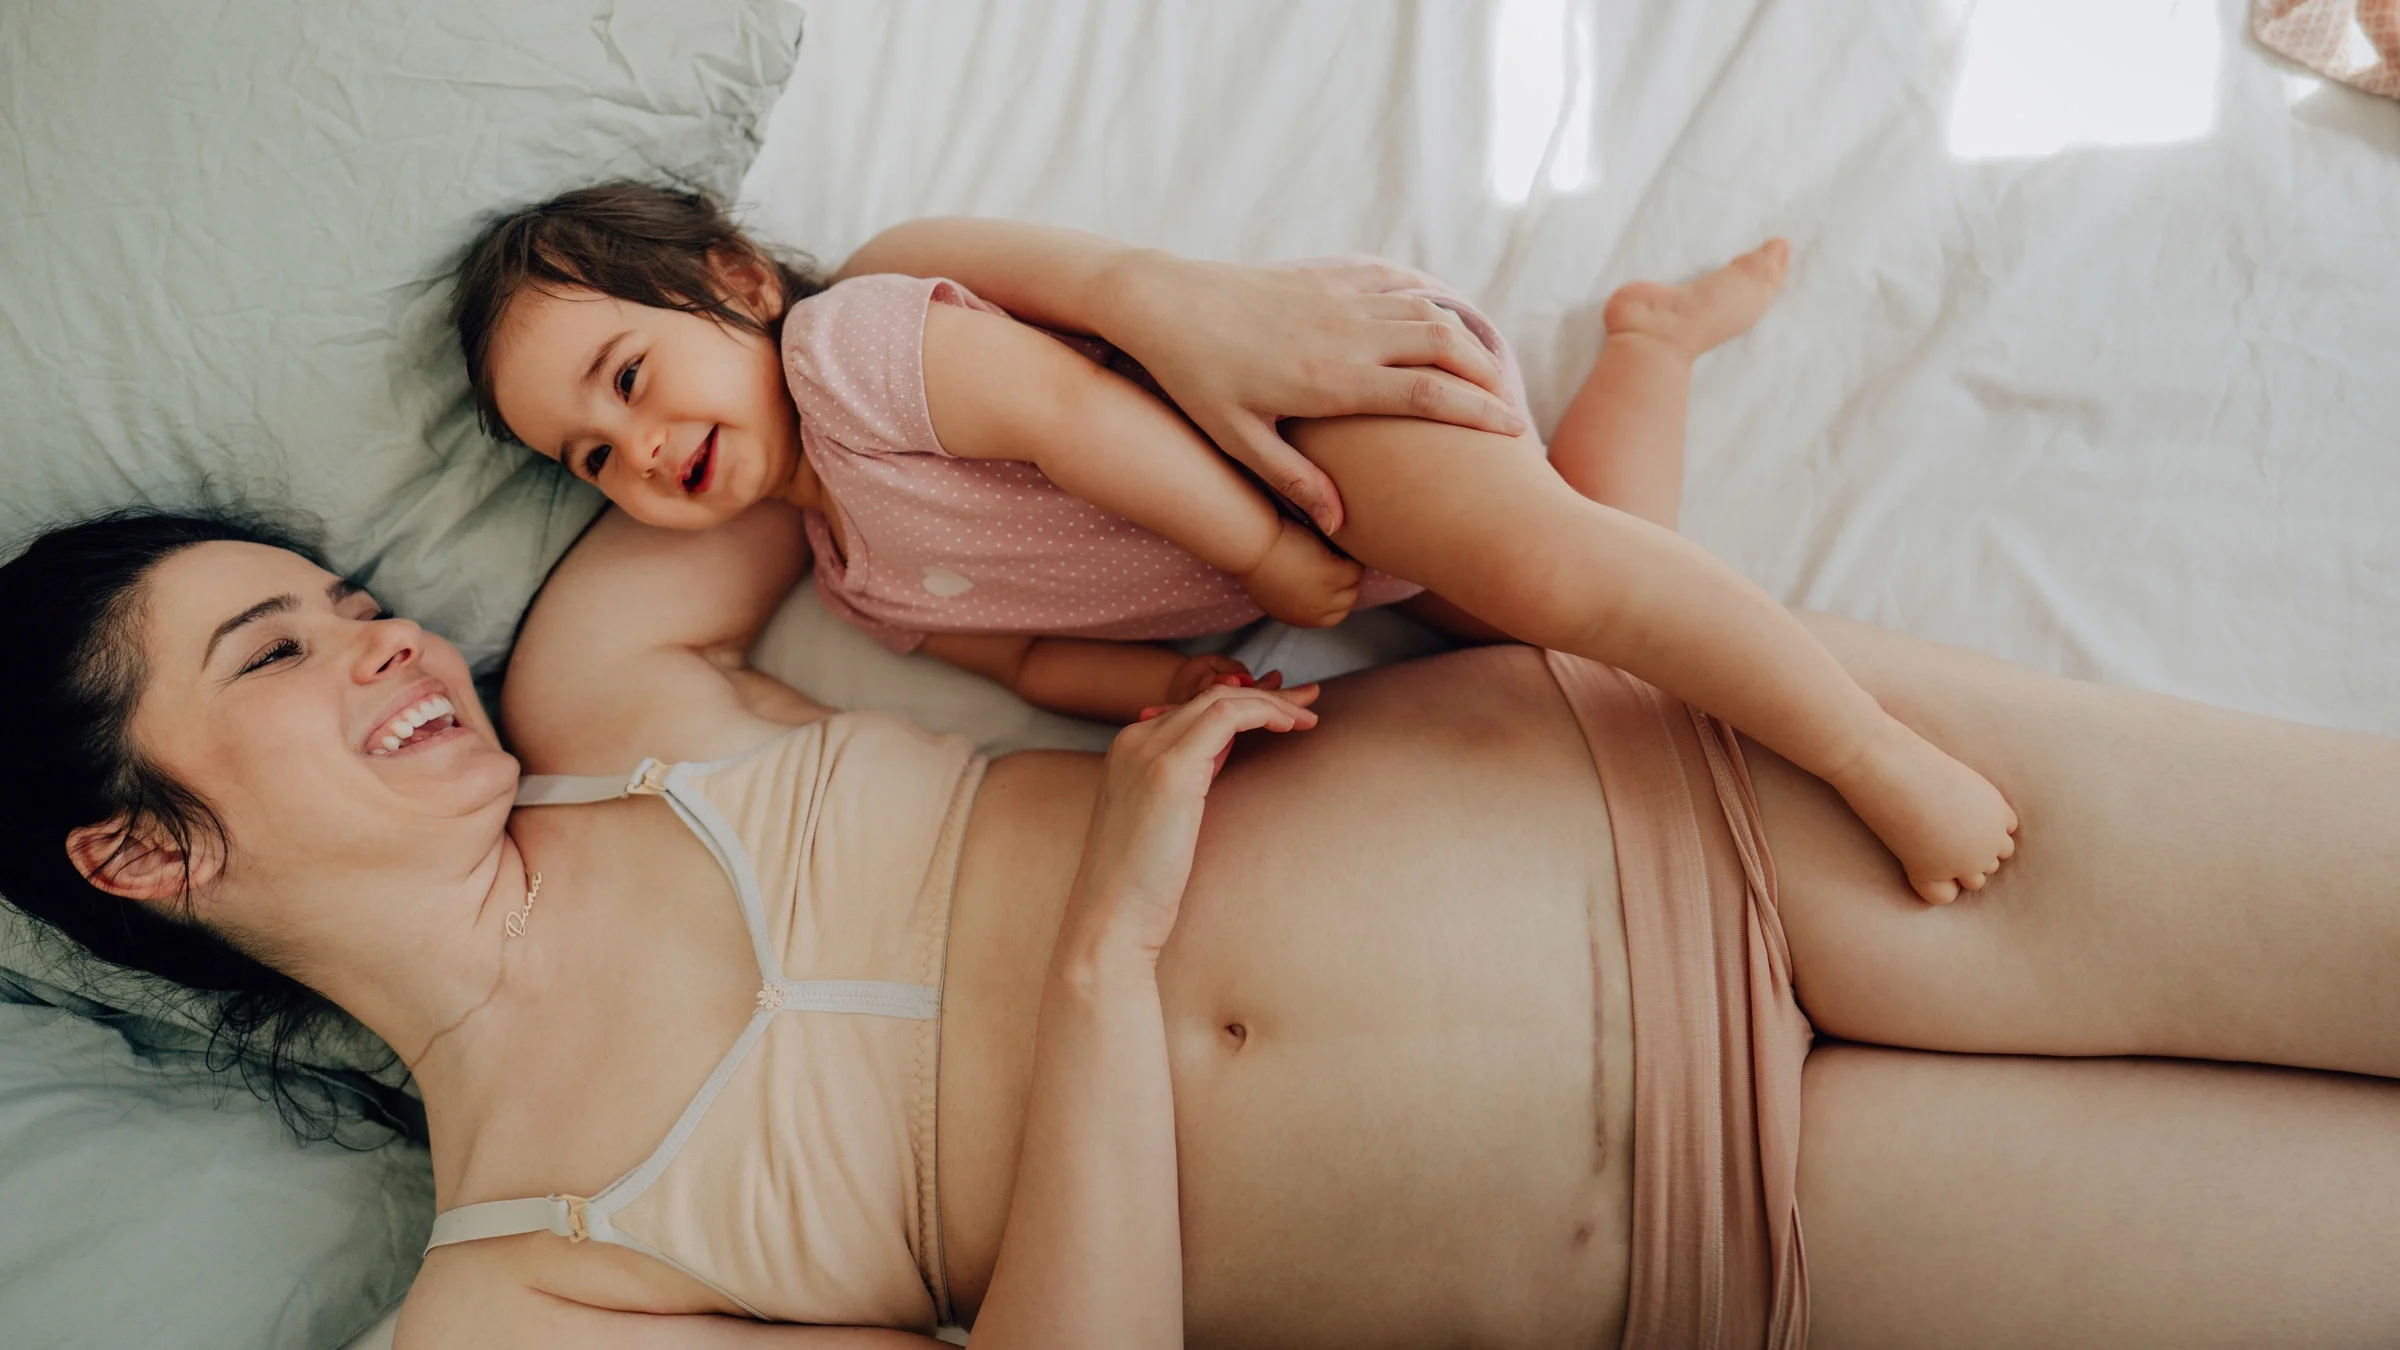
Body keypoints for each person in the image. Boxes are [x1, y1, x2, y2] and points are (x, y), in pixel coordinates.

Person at [2, 236, 2396, 1350]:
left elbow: (815, 345)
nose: (388, 634)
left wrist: (1168, 314)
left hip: (1684, 790)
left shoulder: (608, 679)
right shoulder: (514, 1305)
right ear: (142, 846)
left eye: (343, 589)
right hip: (1730, 1227)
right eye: (276, 652)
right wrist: (1103, 944)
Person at [457, 184, 2013, 904]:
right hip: (1308, 547)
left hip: (1303, 426)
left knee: (1568, 581)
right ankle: (1654, 350)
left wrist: (1267, 562)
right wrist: (1147, 685)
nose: (636, 451)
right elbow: (1013, 647)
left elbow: (1074, 413)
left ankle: (1872, 753)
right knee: (1553, 612)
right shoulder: (854, 573)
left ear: (734, 280)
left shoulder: (850, 350)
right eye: (592, 460)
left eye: (630, 380)